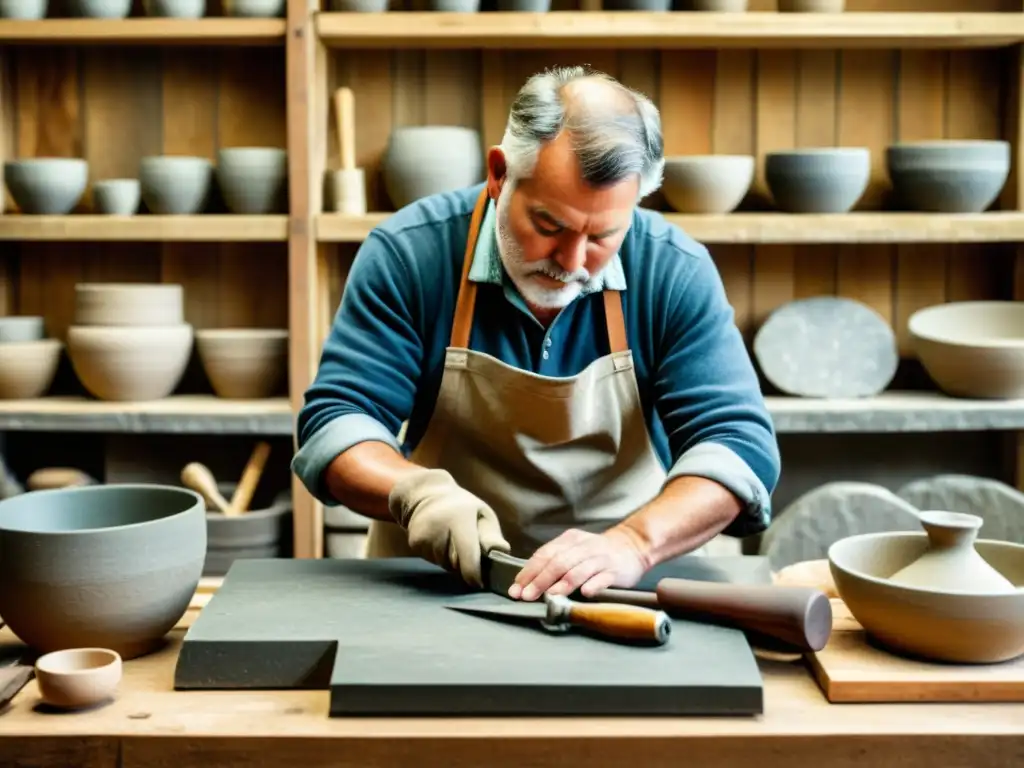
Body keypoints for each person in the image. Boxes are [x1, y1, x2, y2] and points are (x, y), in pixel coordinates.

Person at [292, 65, 781, 602]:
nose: (572, 262)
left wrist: (634, 544)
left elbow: (736, 445)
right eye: (549, 226)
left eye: (603, 236)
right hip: (438, 587)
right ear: (500, 174)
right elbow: (337, 423)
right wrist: (413, 493)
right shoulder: (410, 254)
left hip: (627, 589)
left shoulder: (673, 269)